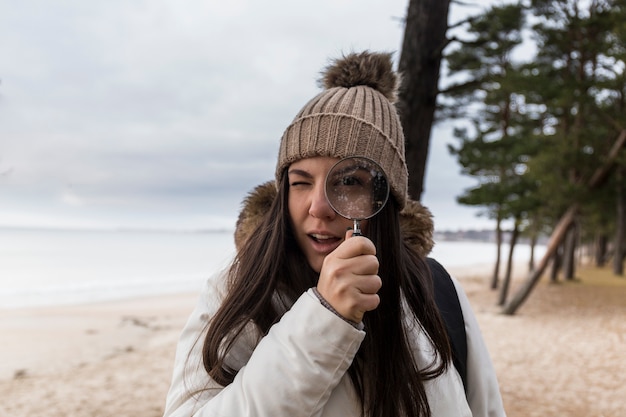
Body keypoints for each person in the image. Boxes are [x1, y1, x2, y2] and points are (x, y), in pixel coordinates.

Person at [162, 51, 507, 417]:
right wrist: (325, 319)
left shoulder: (435, 287)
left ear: (384, 198)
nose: (318, 207)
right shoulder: (242, 287)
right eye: (300, 183)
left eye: (348, 182)